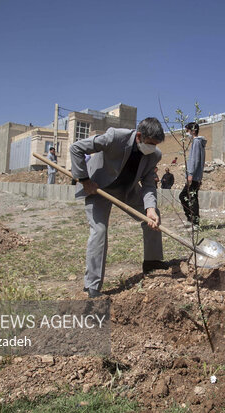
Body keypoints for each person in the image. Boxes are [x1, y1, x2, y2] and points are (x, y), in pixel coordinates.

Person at [70, 117, 168, 298]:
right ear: (139, 136)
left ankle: (152, 262)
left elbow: (148, 183)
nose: (152, 148)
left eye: (155, 145)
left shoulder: (154, 155)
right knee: (99, 231)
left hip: (127, 190)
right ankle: (91, 286)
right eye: (150, 143)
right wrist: (84, 180)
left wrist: (150, 208)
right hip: (98, 188)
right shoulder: (115, 137)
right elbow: (76, 148)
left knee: (153, 216)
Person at [179, 122, 206, 228]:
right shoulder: (199, 143)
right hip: (196, 176)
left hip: (193, 176)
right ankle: (192, 220)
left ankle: (194, 222)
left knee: (187, 197)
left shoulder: (196, 142)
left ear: (193, 131)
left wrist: (190, 174)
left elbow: (195, 160)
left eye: (187, 131)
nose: (186, 134)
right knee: (190, 197)